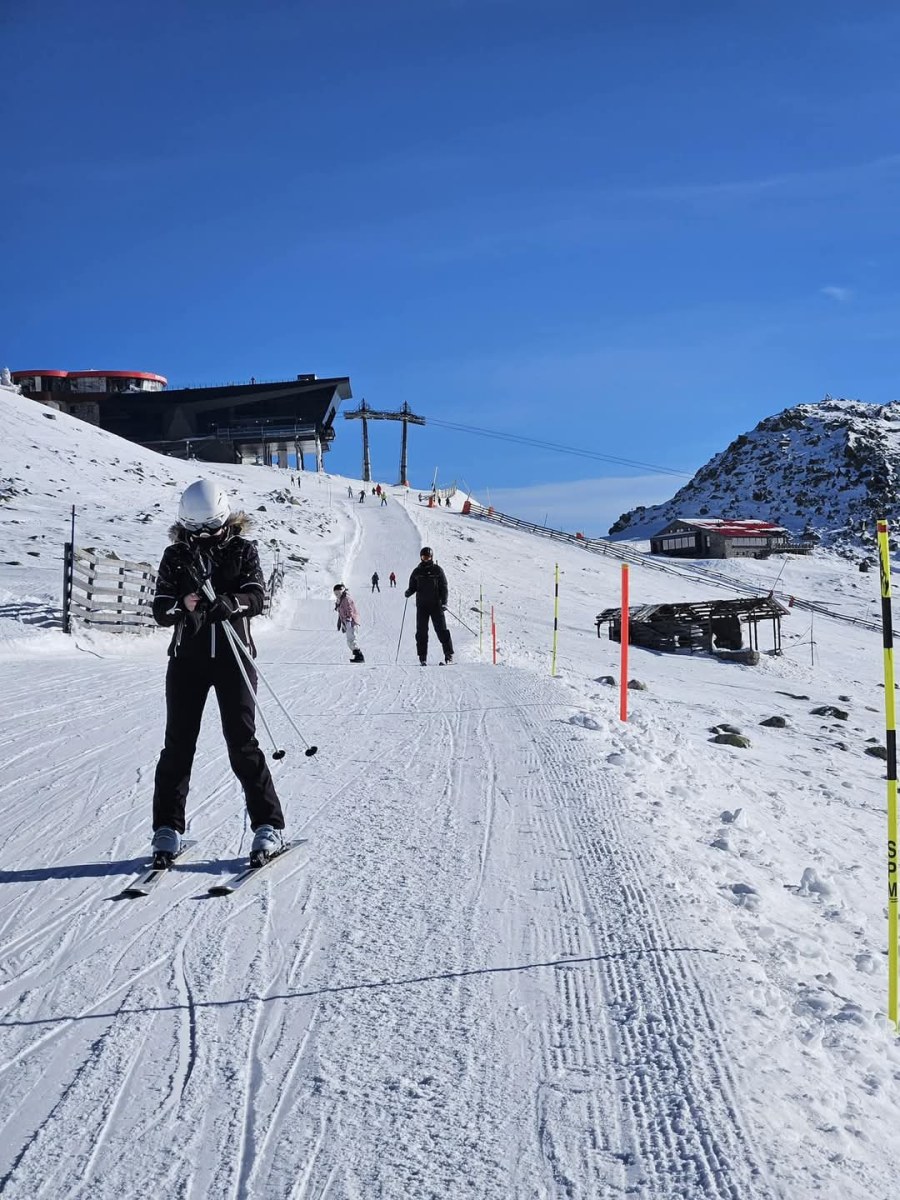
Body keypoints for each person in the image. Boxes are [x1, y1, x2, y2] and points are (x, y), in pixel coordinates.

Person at [150, 479, 285, 866]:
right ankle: (167, 828)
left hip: (234, 658)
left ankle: (267, 825)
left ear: (225, 520)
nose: (206, 538)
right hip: (187, 661)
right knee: (178, 745)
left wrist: (233, 602)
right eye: (197, 532)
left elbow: (258, 596)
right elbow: (161, 609)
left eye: (213, 529)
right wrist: (185, 604)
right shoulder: (175, 556)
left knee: (242, 743)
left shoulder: (243, 550)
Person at [405, 546, 454, 665]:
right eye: (423, 557)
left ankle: (448, 655)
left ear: (432, 557)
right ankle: (422, 657)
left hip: (436, 605)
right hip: (422, 606)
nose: (426, 559)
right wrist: (408, 592)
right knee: (421, 632)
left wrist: (444, 602)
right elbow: (413, 586)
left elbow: (444, 586)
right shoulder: (417, 571)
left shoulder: (437, 570)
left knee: (441, 630)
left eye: (428, 557)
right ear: (421, 557)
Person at [334, 583, 365, 662]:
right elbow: (340, 613)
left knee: (352, 639)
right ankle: (357, 655)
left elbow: (350, 609)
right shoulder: (340, 600)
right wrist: (341, 623)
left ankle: (359, 656)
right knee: (349, 640)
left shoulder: (346, 599)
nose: (337, 595)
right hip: (347, 622)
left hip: (351, 621)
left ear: (342, 591)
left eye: (338, 593)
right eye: (335, 594)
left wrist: (349, 620)